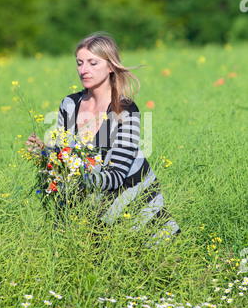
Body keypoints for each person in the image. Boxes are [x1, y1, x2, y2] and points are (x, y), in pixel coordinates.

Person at [27, 33, 180, 242]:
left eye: (92, 63)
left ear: (110, 67)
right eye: (79, 63)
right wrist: (45, 153)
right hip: (87, 215)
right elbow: (66, 157)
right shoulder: (69, 105)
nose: (84, 70)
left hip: (135, 214)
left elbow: (117, 176)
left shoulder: (125, 110)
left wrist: (80, 177)